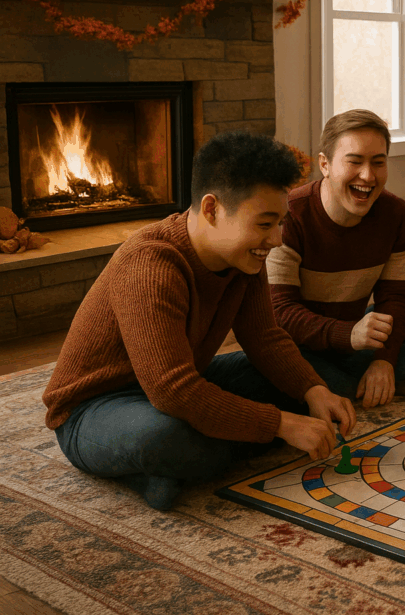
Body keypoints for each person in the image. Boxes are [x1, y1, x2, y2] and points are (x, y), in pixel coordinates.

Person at [43, 131, 356, 511]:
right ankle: (171, 462)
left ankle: (192, 457)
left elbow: (265, 338)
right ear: (211, 209)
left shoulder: (245, 256)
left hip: (185, 377)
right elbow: (172, 391)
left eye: (281, 223)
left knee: (323, 380)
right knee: (170, 438)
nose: (276, 239)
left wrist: (313, 391)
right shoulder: (150, 264)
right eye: (264, 224)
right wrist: (282, 425)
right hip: (95, 409)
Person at [268, 109, 405, 408]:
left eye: (378, 162)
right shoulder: (291, 215)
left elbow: (396, 298)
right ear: (325, 164)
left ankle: (368, 380)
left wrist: (383, 361)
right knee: (281, 365)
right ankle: (374, 385)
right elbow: (279, 312)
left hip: (354, 338)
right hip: (301, 343)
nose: (368, 175)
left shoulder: (395, 214)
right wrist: (346, 333)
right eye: (354, 161)